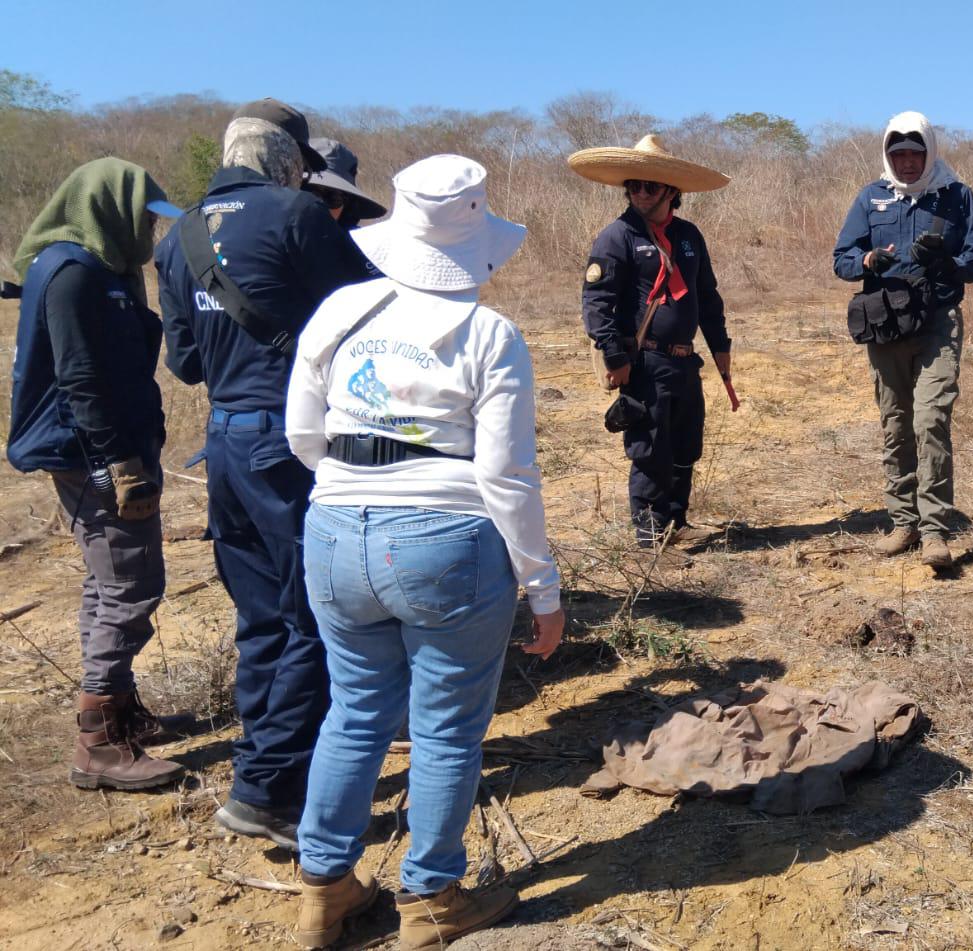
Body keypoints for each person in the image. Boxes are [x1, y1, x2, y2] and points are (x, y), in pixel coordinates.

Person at [284, 154, 563, 949]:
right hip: (448, 538)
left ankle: (325, 886)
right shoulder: (490, 334)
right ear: (476, 240)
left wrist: (358, 487)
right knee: (444, 728)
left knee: (355, 708)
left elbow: (304, 433)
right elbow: (505, 474)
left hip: (334, 528)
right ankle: (432, 896)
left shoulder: (341, 310)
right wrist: (542, 591)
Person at [154, 98, 376, 848]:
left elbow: (185, 363)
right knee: (316, 611)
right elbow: (369, 312)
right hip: (288, 445)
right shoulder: (296, 216)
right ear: (287, 160)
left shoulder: (177, 235)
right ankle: (270, 790)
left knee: (261, 617)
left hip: (220, 445)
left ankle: (267, 762)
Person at [6, 158, 185, 790]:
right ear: (108, 207)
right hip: (97, 456)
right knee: (132, 586)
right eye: (141, 217)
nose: (149, 231)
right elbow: (81, 377)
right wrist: (122, 465)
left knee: (107, 580)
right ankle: (97, 742)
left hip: (107, 447)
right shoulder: (72, 273)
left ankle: (118, 708)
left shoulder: (102, 269)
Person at [832, 111, 973, 568]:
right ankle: (903, 523)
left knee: (930, 420)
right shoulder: (871, 197)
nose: (905, 163)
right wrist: (867, 263)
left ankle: (935, 531)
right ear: (887, 154)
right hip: (886, 323)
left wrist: (948, 264)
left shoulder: (957, 197)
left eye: (914, 153)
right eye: (897, 154)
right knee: (896, 424)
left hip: (938, 323)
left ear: (929, 152)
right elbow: (841, 259)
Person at [568, 135, 733, 548]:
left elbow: (707, 296)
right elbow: (597, 302)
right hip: (643, 363)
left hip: (684, 361)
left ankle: (678, 521)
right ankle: (650, 534)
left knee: (684, 444)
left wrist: (721, 347)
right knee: (650, 448)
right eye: (634, 186)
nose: (641, 193)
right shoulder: (616, 236)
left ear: (671, 192)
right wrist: (614, 356)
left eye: (650, 186)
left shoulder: (690, 236)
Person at [302, 138, 388, 229]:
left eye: (333, 199)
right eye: (308, 193)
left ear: (346, 206)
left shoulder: (355, 242)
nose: (319, 207)